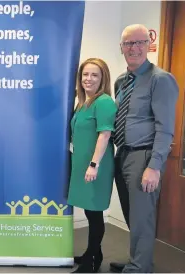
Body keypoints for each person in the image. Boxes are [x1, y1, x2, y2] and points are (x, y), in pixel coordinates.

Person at [110, 24, 178, 273]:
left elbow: (165, 128)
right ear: (121, 48)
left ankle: (140, 268)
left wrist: (154, 166)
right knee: (132, 215)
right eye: (128, 43)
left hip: (144, 156)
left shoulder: (160, 80)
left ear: (148, 45)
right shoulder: (121, 81)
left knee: (143, 218)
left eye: (139, 42)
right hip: (123, 154)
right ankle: (136, 260)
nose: (133, 48)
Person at [68, 58, 117, 273]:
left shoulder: (104, 101)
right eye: (85, 74)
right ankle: (92, 253)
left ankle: (93, 260)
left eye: (94, 75)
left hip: (96, 166)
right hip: (82, 164)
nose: (88, 79)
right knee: (89, 211)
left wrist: (94, 164)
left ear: (102, 78)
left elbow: (104, 134)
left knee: (95, 213)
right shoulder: (83, 103)